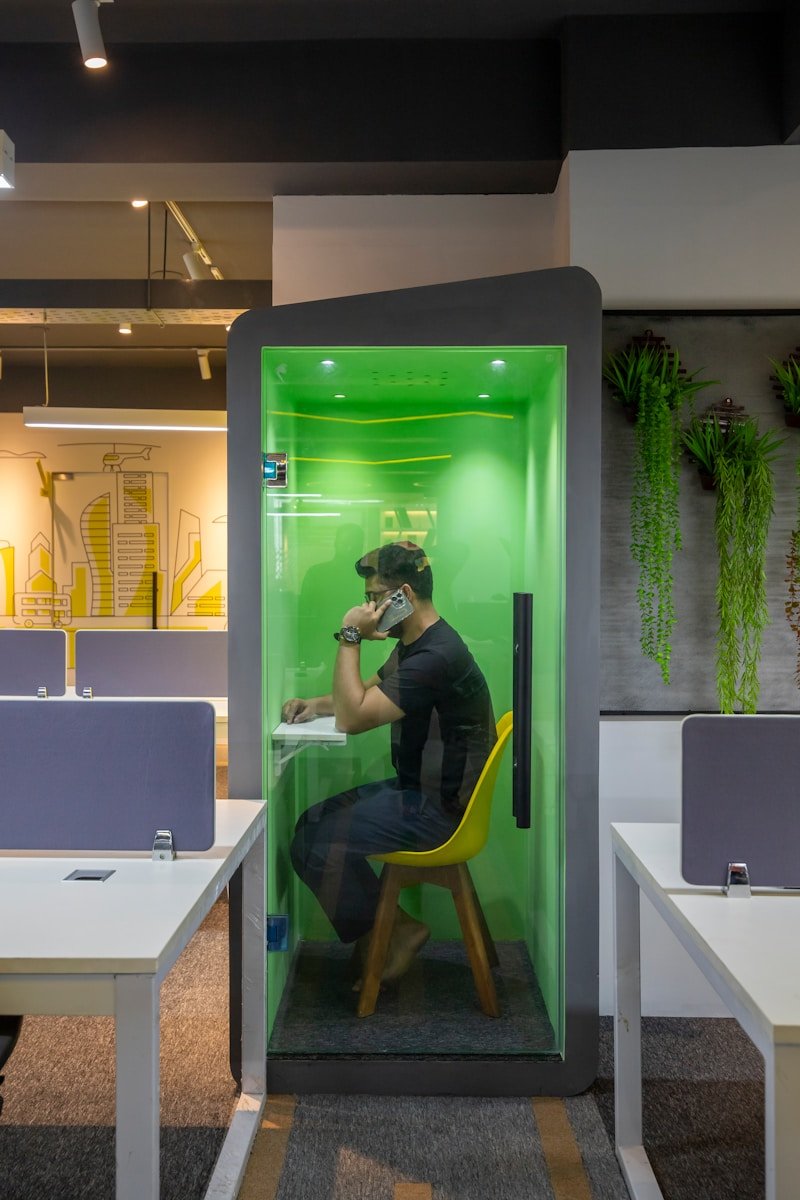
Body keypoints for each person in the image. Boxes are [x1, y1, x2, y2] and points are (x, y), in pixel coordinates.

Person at [282, 540, 496, 986]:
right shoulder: (420, 644)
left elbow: (354, 717)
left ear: (404, 595)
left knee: (316, 843)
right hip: (423, 794)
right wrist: (313, 705)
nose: (370, 608)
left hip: (439, 812)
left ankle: (396, 932)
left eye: (375, 598)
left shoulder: (436, 656)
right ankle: (394, 929)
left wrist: (351, 633)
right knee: (308, 826)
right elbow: (359, 696)